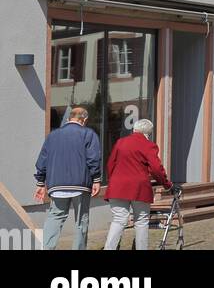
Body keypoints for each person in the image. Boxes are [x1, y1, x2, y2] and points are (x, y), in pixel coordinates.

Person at [34, 105, 102, 250]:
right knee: (81, 220)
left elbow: (42, 160)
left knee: (55, 217)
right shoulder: (88, 134)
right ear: (84, 120)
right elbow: (93, 159)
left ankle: (46, 248)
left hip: (56, 185)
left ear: (69, 118)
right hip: (81, 184)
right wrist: (96, 179)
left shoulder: (52, 135)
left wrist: (40, 183)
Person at [103, 119, 172, 251]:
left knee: (118, 220)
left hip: (118, 187)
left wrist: (114, 180)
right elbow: (156, 169)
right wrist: (166, 184)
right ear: (148, 133)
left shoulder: (120, 142)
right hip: (139, 188)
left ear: (134, 130)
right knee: (141, 221)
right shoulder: (148, 145)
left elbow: (110, 164)